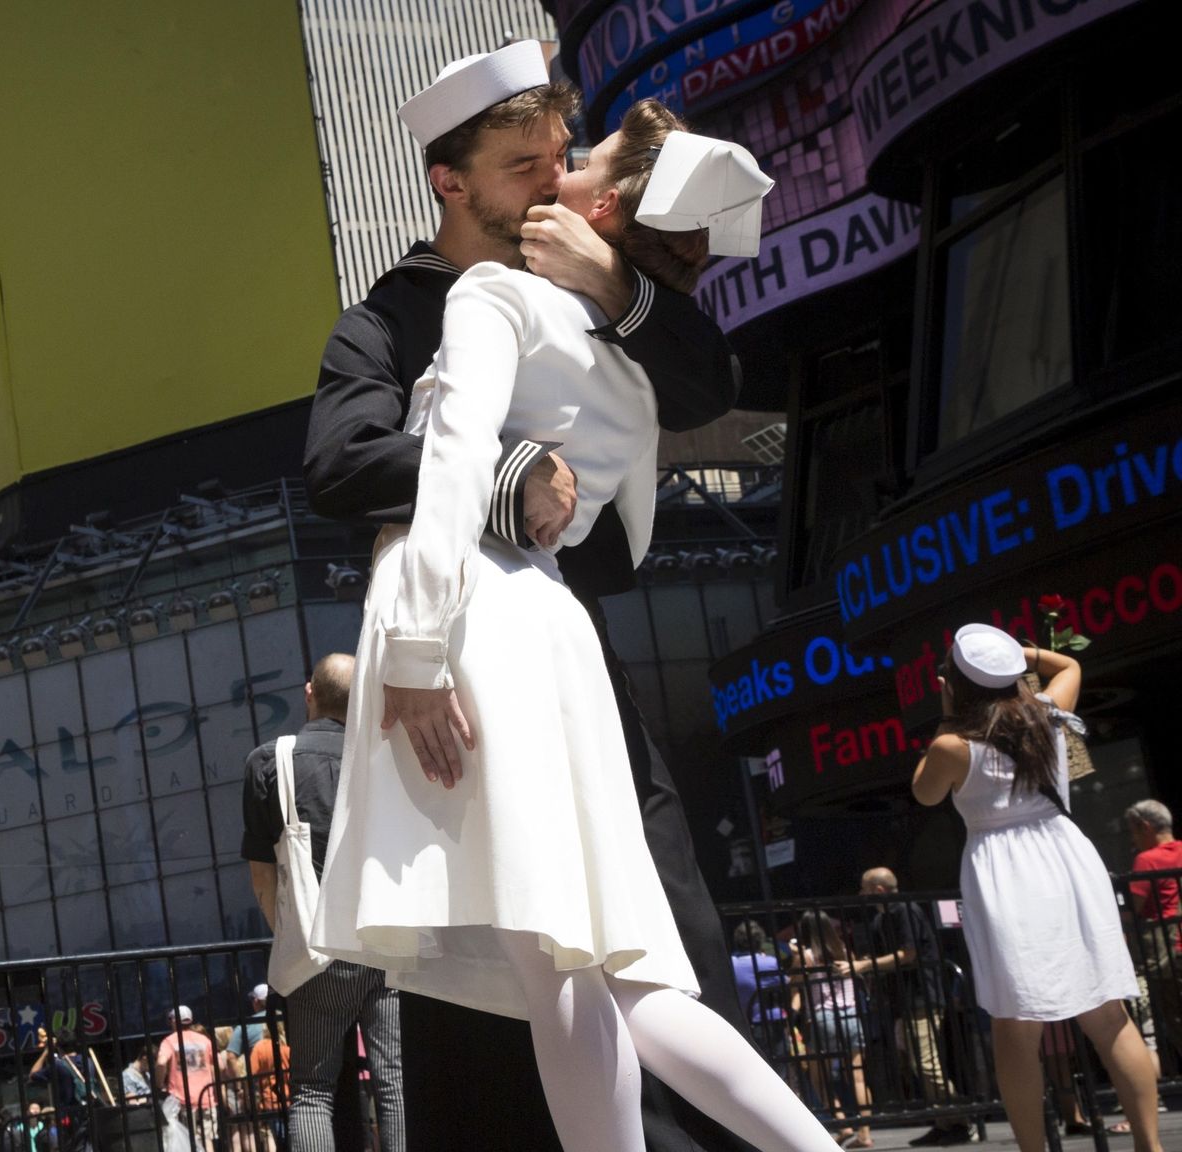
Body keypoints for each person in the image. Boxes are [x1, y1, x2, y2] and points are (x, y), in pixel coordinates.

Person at [307, 56, 835, 1149]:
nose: (548, 182)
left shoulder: (578, 288)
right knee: (575, 964)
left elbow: (698, 383)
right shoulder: (395, 313)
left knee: (613, 942)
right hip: (491, 629)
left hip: (536, 644)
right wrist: (514, 481)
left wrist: (616, 283)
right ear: (449, 182)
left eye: (561, 157)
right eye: (521, 166)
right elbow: (342, 461)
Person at [912, 624, 1162, 1152]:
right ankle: (1150, 1146)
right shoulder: (1048, 714)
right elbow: (1069, 666)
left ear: (955, 682)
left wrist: (948, 708)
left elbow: (924, 793)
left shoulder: (952, 745)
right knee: (1108, 1014)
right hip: (1067, 856)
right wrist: (1018, 653)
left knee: (1015, 1024)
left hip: (1005, 874)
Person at [239, 654, 403, 1152]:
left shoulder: (271, 761)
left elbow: (263, 876)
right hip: (389, 939)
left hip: (319, 946)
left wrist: (288, 933)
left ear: (310, 693)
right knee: (395, 1085)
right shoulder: (388, 756)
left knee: (312, 1091)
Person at [849, 869, 970, 1146]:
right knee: (919, 1064)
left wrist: (865, 965)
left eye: (864, 889)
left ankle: (962, 1120)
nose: (861, 896)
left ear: (878, 890)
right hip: (903, 999)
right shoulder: (882, 919)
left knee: (926, 1064)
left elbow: (909, 953)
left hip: (922, 996)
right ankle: (944, 1122)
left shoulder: (906, 910)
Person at [786, 912, 872, 1148]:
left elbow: (794, 986)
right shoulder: (844, 951)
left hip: (823, 1017)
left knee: (819, 1077)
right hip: (851, 1013)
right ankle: (865, 1133)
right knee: (857, 1075)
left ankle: (843, 1124)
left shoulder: (806, 956)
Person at [1125, 799, 1182, 1072]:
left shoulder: (1147, 860)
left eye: (1134, 832)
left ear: (1146, 827)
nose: (1134, 839)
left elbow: (1134, 907)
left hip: (1168, 952)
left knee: (1175, 1016)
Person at [156, 1007, 218, 1152]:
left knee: (188, 1140)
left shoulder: (169, 1041)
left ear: (173, 1021)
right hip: (206, 1097)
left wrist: (159, 1083)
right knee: (206, 1139)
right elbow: (219, 1065)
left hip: (182, 1100)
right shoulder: (204, 1040)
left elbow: (160, 1063)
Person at [729, 922, 791, 1061]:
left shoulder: (731, 964)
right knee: (780, 1065)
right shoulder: (769, 963)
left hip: (743, 1024)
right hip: (771, 1021)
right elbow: (786, 985)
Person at [27, 1030, 96, 1151]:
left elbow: (33, 1075)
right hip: (90, 1112)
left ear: (58, 1045)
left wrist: (47, 1051)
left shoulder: (59, 1066)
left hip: (69, 1117)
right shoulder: (88, 1062)